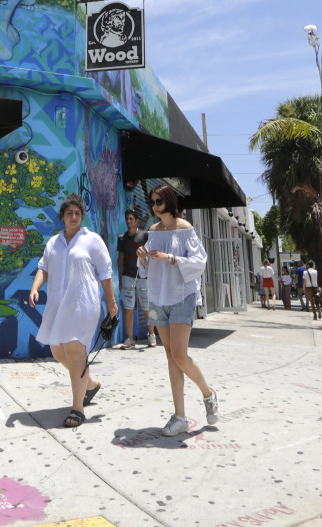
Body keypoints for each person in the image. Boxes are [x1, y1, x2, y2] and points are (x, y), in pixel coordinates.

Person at [136, 184, 219, 437]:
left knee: (180, 355)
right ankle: (180, 416)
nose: (154, 206)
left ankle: (208, 393)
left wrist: (172, 259)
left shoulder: (185, 229)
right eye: (152, 202)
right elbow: (147, 269)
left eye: (159, 201)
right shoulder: (152, 231)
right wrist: (143, 259)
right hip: (157, 298)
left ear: (169, 202)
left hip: (182, 296)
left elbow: (199, 262)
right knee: (170, 356)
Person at [29, 193, 118, 428]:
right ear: (63, 216)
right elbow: (43, 268)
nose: (74, 217)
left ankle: (78, 409)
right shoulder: (53, 243)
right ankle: (89, 383)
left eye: (78, 213)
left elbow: (105, 274)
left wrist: (111, 302)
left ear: (82, 216)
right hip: (58, 305)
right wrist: (35, 288)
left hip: (83, 303)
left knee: (75, 350)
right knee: (57, 349)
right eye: (69, 213)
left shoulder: (92, 240)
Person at [115, 208, 154, 349]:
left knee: (147, 306)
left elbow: (150, 256)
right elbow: (120, 259)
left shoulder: (145, 236)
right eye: (127, 219)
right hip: (127, 276)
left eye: (131, 218)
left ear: (137, 220)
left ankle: (151, 335)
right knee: (128, 308)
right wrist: (120, 278)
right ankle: (130, 339)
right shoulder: (122, 238)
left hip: (144, 277)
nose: (129, 221)